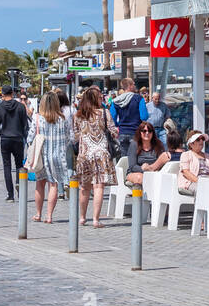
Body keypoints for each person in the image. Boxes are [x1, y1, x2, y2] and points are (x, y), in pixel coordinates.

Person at [70, 87, 118, 228]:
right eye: (99, 97)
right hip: (101, 153)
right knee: (98, 187)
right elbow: (113, 131)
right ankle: (96, 219)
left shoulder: (78, 115)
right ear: (95, 99)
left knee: (84, 188)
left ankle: (82, 217)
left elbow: (75, 136)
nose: (101, 100)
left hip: (84, 154)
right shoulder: (104, 113)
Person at [29, 92, 69, 223]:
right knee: (54, 185)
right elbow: (69, 137)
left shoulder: (37, 118)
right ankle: (49, 216)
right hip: (58, 156)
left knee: (40, 184)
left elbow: (30, 138)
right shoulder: (63, 119)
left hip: (42, 155)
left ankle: (38, 214)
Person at [0, 85, 31, 202]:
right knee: (19, 165)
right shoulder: (20, 107)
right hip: (18, 138)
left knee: (7, 167)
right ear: (13, 93)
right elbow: (25, 126)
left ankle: (10, 194)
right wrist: (27, 141)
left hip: (5, 139)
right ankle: (19, 184)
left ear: (2, 94)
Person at [108, 78, 146, 157]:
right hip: (135, 132)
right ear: (130, 86)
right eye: (134, 84)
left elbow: (112, 118)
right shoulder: (139, 99)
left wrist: (118, 125)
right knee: (136, 158)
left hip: (122, 132)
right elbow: (144, 116)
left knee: (124, 159)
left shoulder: (115, 101)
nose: (135, 86)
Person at [126, 121, 169, 187]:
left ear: (153, 133)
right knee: (139, 178)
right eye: (144, 131)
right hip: (135, 173)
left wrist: (149, 169)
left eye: (150, 131)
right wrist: (143, 169)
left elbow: (161, 162)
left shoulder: (158, 144)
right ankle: (137, 197)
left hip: (153, 173)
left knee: (166, 155)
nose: (147, 133)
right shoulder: (134, 144)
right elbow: (132, 167)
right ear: (140, 132)